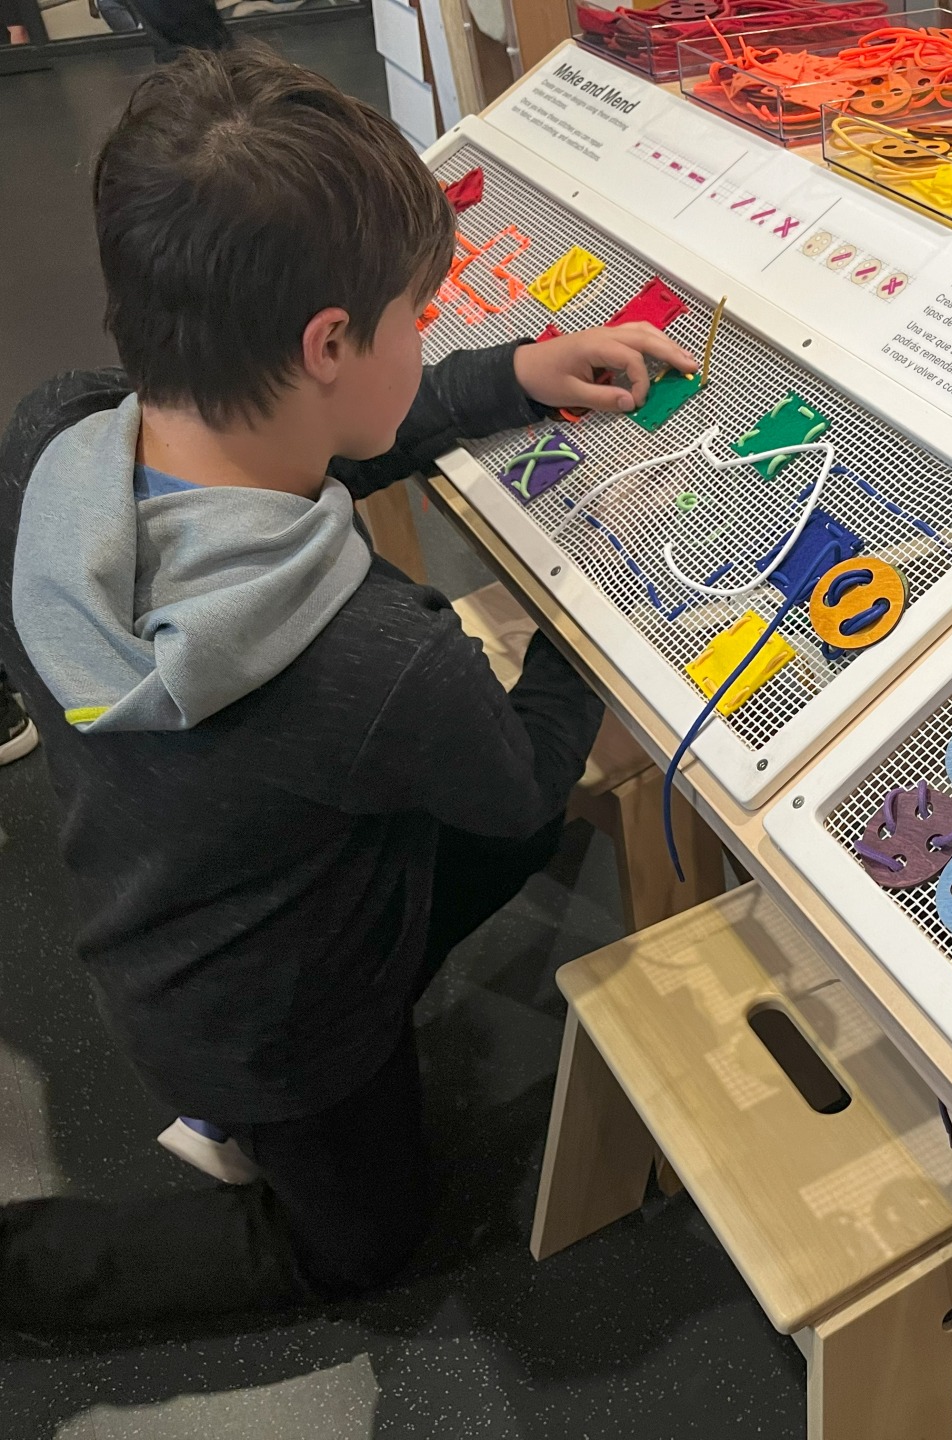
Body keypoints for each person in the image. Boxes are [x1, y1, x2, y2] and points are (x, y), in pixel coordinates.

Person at [0, 44, 698, 1329]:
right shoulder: (376, 664)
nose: (426, 337)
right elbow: (517, 779)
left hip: (160, 904)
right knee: (364, 1243)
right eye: (414, 318)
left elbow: (312, 455)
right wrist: (594, 596)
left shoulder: (64, 432)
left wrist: (507, 378)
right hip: (281, 1021)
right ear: (330, 340)